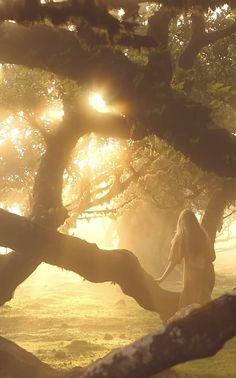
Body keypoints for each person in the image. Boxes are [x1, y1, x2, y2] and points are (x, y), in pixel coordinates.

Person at [156, 209, 215, 309]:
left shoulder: (182, 237)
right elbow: (212, 257)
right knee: (204, 304)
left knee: (190, 305)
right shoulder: (202, 234)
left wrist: (162, 278)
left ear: (181, 222)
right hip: (206, 274)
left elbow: (173, 261)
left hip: (192, 277)